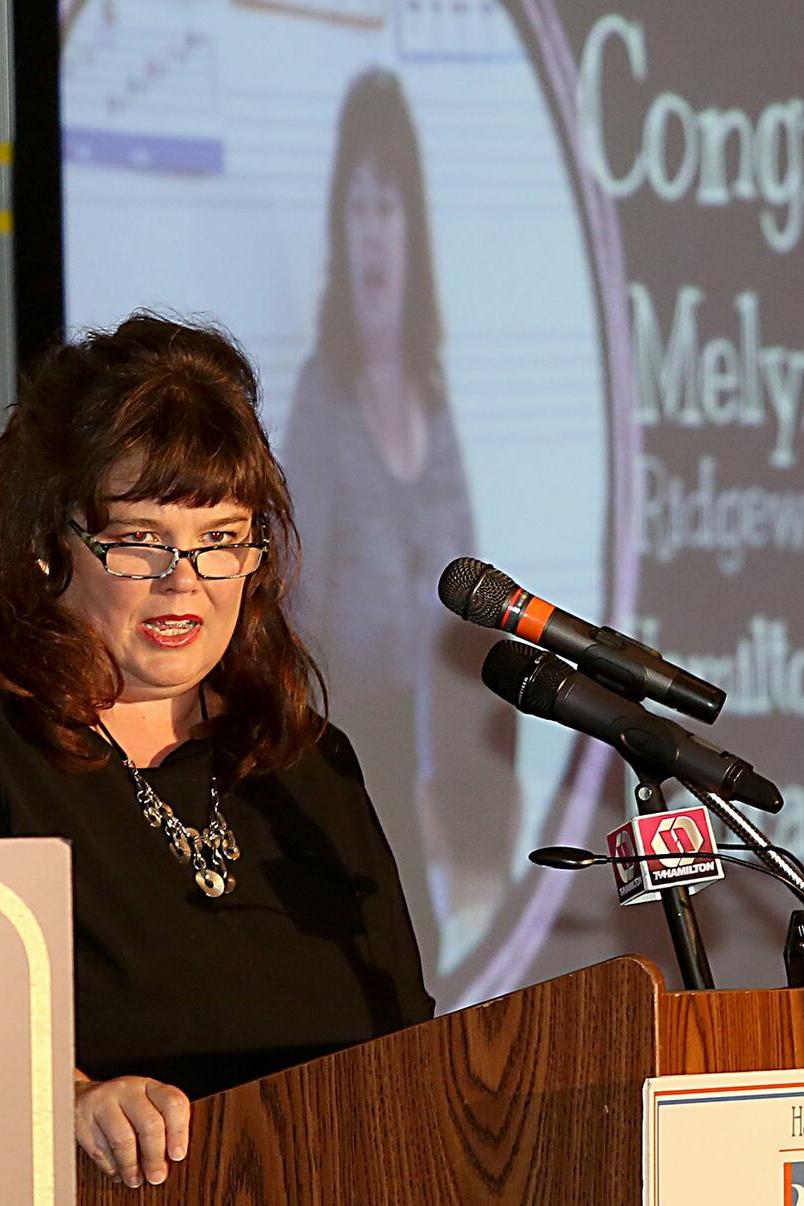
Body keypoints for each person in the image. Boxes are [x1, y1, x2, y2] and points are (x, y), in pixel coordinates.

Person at [0, 314, 433, 1188]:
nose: (186, 580)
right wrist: (63, 1101)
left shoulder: (301, 764)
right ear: (46, 546)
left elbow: (406, 1046)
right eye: (140, 540)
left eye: (221, 539)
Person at [283, 68, 518, 973]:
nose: (374, 231)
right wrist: (403, 783)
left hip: (462, 811)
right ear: (340, 235)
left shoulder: (435, 398)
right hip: (363, 799)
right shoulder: (320, 403)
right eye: (358, 207)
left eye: (390, 207)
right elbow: (293, 629)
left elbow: (474, 619)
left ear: (415, 229)